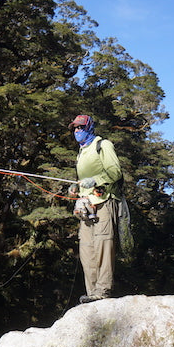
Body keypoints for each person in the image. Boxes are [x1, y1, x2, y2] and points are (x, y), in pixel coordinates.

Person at [68, 114, 123, 304]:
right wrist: (77, 187)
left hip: (105, 202)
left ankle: (103, 290)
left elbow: (115, 172)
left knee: (103, 246)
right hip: (86, 205)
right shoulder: (81, 152)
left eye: (80, 128)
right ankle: (91, 293)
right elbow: (85, 179)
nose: (77, 131)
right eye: (75, 128)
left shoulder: (103, 145)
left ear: (90, 128)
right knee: (86, 249)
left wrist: (96, 181)